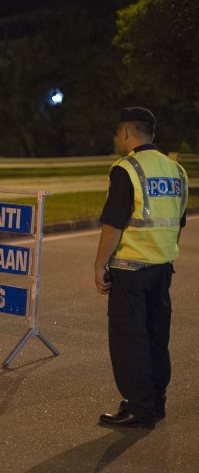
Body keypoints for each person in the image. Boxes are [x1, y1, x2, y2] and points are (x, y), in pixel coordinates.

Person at [94, 107, 188, 430]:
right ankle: (155, 401)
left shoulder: (126, 170)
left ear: (125, 133)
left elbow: (114, 224)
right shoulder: (176, 171)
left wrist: (99, 264)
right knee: (155, 337)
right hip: (162, 270)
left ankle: (139, 407)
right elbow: (178, 222)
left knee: (129, 339)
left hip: (130, 270)